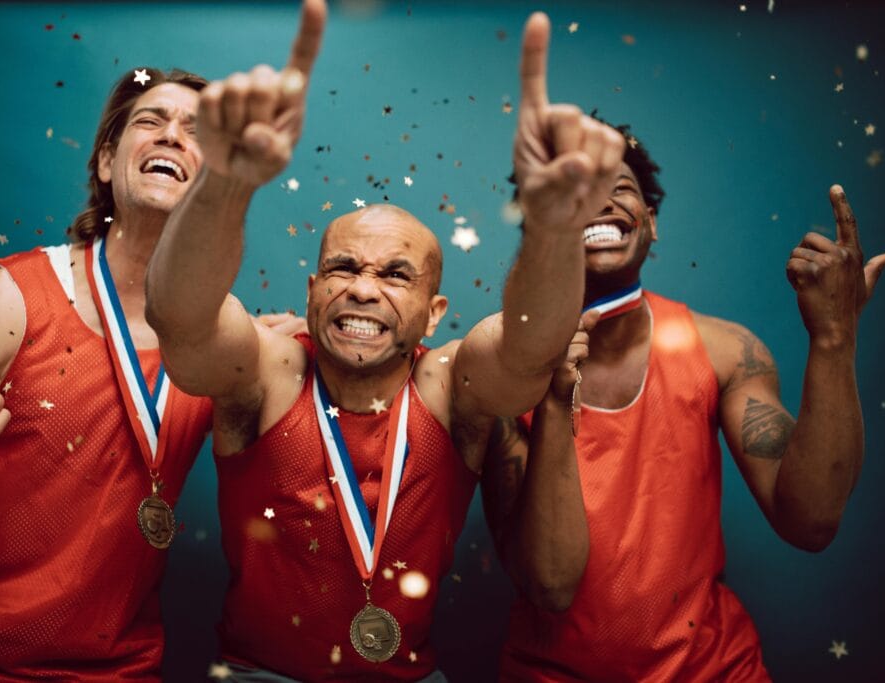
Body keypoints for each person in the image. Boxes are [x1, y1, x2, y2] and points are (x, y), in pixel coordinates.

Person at [144, 9, 625, 681]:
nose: (364, 290)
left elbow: (528, 352)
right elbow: (182, 322)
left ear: (434, 314)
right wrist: (223, 180)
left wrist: (552, 230)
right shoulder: (271, 370)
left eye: (395, 274)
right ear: (312, 290)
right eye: (344, 268)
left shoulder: (449, 385)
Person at [482, 80, 885, 683]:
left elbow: (810, 522)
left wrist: (835, 340)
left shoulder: (726, 350)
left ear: (651, 223)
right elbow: (548, 584)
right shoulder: (496, 372)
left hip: (715, 671)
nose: (599, 203)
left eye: (619, 188)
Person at [0, 61, 221, 679]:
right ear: (106, 162)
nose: (173, 137)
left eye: (198, 134)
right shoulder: (5, 302)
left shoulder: (214, 347)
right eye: (151, 121)